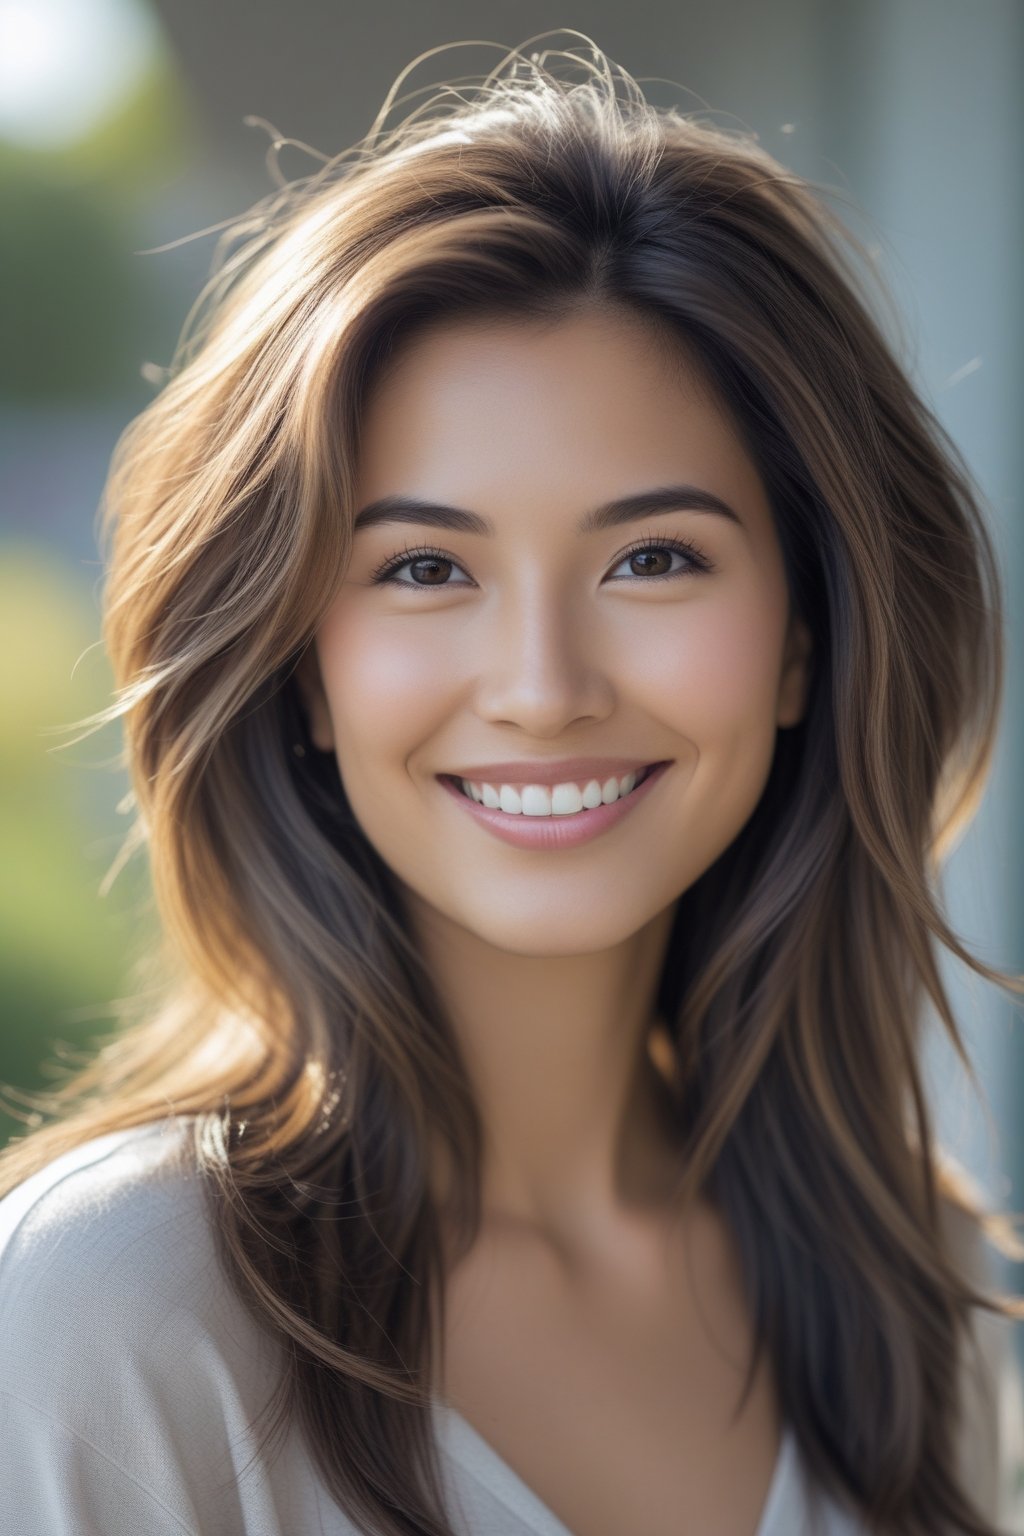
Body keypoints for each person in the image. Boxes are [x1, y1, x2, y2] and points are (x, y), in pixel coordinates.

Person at [1, 29, 1022, 1536]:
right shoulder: (111, 1316)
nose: (544, 685)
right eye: (424, 568)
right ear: (301, 666)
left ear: (808, 641)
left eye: (653, 558)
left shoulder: (911, 1303)